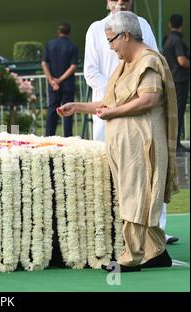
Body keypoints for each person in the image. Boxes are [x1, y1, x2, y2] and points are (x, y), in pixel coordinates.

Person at [58, 11, 179, 272]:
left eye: (112, 40)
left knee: (136, 197)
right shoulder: (125, 65)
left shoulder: (148, 61)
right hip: (127, 145)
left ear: (126, 36)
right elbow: (108, 102)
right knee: (134, 195)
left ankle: (131, 256)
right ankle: (156, 251)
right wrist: (77, 107)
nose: (110, 47)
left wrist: (113, 113)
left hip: (143, 144)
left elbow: (149, 99)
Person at [84, 0, 178, 245]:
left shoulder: (142, 29)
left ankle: (155, 234)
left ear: (126, 36)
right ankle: (115, 233)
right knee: (114, 174)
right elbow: (91, 71)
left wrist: (122, 99)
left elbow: (151, 66)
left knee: (148, 173)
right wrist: (114, 97)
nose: (121, 2)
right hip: (110, 111)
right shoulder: (96, 29)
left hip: (138, 115)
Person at [41, 22, 78, 137]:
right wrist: (60, 79)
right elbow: (73, 66)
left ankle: (49, 136)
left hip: (53, 85)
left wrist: (51, 79)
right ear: (69, 32)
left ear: (58, 32)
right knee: (68, 111)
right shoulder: (72, 46)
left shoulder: (50, 44)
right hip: (67, 84)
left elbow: (44, 63)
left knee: (52, 110)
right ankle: (68, 136)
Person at [163, 14, 190, 154]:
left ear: (169, 24)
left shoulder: (167, 40)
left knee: (173, 112)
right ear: (182, 25)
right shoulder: (177, 40)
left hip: (172, 79)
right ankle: (176, 144)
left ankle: (172, 142)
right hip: (180, 80)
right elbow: (182, 60)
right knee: (179, 112)